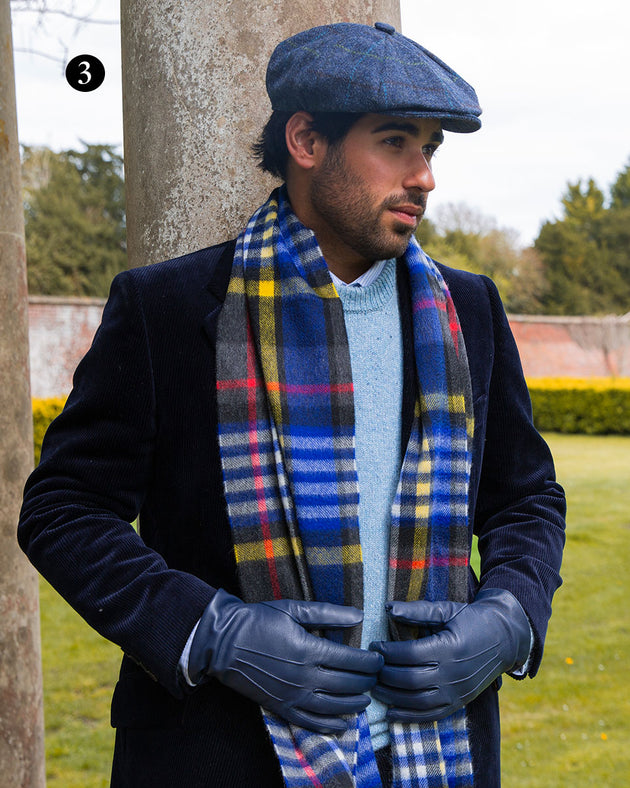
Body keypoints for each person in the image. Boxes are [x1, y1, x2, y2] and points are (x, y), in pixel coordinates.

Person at [18, 21, 566, 788]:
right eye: (396, 142)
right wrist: (213, 632)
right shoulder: (167, 309)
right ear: (306, 140)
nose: (424, 177)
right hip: (221, 754)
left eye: (432, 149)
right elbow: (64, 509)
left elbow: (527, 498)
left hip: (431, 753)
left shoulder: (470, 311)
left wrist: (508, 619)